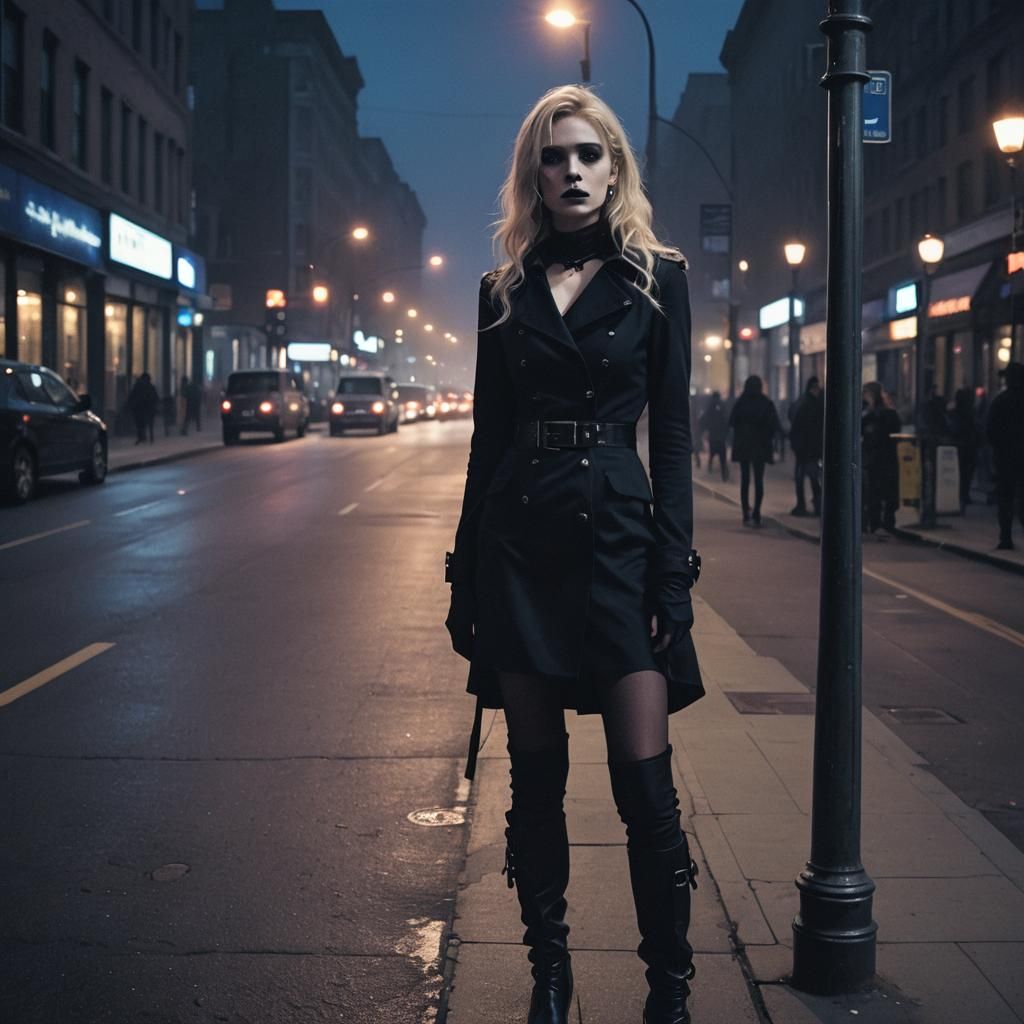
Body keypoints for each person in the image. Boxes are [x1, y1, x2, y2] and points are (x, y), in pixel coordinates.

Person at [444, 85, 704, 1024]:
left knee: (646, 782)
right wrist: (466, 575)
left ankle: (668, 991)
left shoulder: (656, 277)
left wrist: (673, 573)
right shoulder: (501, 291)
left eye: (590, 154)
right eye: (555, 157)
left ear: (615, 168)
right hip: (521, 547)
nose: (573, 171)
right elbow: (487, 441)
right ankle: (549, 976)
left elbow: (671, 440)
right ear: (534, 175)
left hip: (624, 544)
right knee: (536, 778)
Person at [728, 375, 780, 526]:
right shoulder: (766, 403)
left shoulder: (741, 403)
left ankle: (745, 512)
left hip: (744, 446)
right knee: (759, 480)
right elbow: (774, 425)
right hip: (760, 447)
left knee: (745, 480)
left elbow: (732, 421)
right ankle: (757, 512)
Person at [985, 362, 1024, 550]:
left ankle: (1006, 537)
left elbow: (990, 431)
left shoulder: (1000, 401)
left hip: (1005, 457)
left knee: (1006, 497)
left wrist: (998, 447)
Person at [861, 380, 901, 534]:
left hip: (876, 459)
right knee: (885, 492)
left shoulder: (873, 415)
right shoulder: (887, 413)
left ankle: (878, 523)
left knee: (876, 493)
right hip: (884, 458)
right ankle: (885, 523)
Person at [788, 376, 823, 516]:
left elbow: (792, 418)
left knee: (801, 477)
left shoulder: (801, 402)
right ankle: (816, 506)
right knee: (813, 478)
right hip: (810, 448)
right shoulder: (813, 404)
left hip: (802, 447)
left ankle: (802, 505)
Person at [949, 387, 979, 513]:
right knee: (966, 472)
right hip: (968, 445)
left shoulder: (955, 412)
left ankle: (961, 494)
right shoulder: (970, 413)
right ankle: (964, 494)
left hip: (961, 445)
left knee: (962, 471)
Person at [698, 390, 729, 481]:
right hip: (720, 435)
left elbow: (704, 419)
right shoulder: (722, 406)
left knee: (713, 453)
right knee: (722, 455)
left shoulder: (710, 407)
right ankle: (724, 474)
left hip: (713, 435)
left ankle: (711, 468)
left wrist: (704, 429)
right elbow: (726, 420)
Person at [127, 372, 159, 444]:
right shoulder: (146, 387)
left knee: (141, 423)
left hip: (144, 409)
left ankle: (142, 437)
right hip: (142, 409)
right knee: (141, 423)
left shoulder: (143, 387)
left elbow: (132, 396)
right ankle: (142, 436)